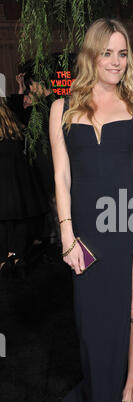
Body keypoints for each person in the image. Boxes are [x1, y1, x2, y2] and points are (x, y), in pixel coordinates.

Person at [49, 19, 133, 402]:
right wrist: (67, 235)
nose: (117, 62)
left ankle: (128, 399)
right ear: (92, 55)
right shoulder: (61, 107)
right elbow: (61, 177)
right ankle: (101, 389)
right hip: (87, 227)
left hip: (132, 218)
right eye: (108, 53)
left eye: (123, 54)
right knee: (93, 320)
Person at [0, 97, 48, 278]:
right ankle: (17, 257)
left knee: (3, 223)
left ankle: (4, 259)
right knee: (20, 220)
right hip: (19, 184)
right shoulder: (16, 130)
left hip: (3, 186)